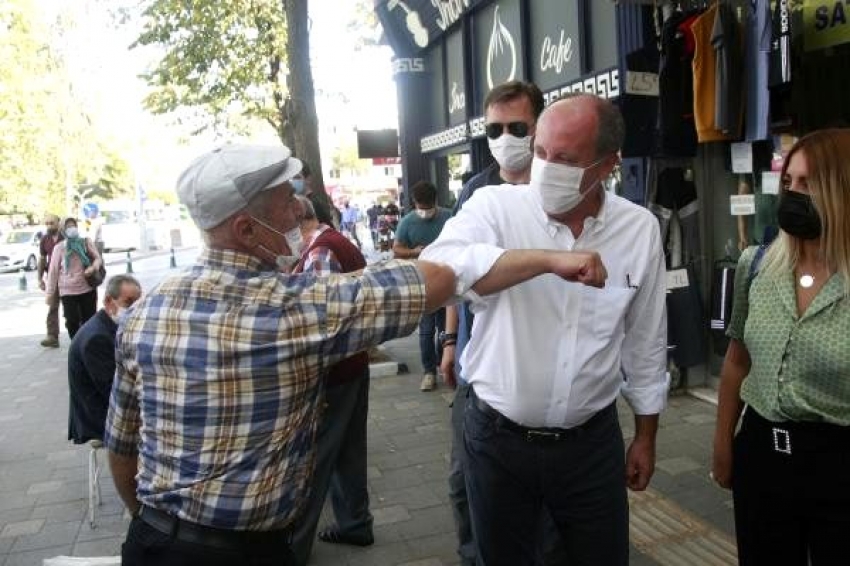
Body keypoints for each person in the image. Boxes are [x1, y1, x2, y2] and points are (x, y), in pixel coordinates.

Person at [105, 143, 605, 565]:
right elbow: (441, 278)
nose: (300, 211)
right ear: (245, 230)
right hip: (246, 551)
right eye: (286, 203)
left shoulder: (143, 313)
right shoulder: (298, 312)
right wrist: (552, 258)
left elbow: (122, 447)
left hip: (151, 540)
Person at [422, 94, 668, 565]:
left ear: (608, 165)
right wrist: (547, 261)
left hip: (591, 445)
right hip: (497, 441)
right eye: (540, 153)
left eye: (566, 159)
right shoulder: (495, 207)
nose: (547, 169)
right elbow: (439, 270)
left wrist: (646, 435)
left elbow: (646, 341)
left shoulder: (639, 230)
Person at [711, 128, 850, 566]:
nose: (792, 194)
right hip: (761, 454)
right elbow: (737, 361)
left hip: (838, 461)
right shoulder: (756, 265)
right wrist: (722, 444)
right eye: (788, 182)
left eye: (808, 184)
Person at [438, 80, 557, 566]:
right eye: (493, 128)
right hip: (477, 365)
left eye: (516, 127)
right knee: (464, 486)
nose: (504, 137)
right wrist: (449, 341)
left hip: (541, 368)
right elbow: (452, 269)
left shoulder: (559, 187)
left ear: (538, 127)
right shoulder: (476, 189)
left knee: (545, 509)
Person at [289, 195, 373, 565]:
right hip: (352, 363)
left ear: (297, 220)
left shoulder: (321, 251)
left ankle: (297, 545)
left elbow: (317, 319)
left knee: (317, 458)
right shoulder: (337, 241)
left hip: (333, 370)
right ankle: (355, 522)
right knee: (349, 450)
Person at [67, 275, 142, 444]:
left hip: (105, 407)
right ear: (109, 302)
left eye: (139, 304)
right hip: (97, 418)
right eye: (128, 303)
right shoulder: (97, 338)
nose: (135, 309)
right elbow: (113, 389)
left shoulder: (107, 326)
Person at [393, 181, 452, 392]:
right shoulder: (407, 222)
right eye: (421, 206)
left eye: (429, 206)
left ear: (435, 201)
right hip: (421, 284)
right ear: (414, 203)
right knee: (426, 331)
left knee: (446, 329)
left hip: (449, 283)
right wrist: (415, 251)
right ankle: (429, 372)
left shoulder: (449, 217)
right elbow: (397, 249)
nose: (425, 211)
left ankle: (443, 363)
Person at [46, 217, 104, 339]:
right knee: (71, 321)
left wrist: (92, 268)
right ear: (62, 230)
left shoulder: (85, 242)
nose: (71, 229)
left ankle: (89, 345)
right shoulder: (59, 248)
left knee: (89, 320)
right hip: (67, 291)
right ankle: (76, 345)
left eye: (73, 226)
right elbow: (53, 272)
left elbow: (98, 258)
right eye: (68, 227)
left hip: (87, 288)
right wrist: (50, 294)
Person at [38, 214, 64, 348]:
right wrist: (40, 279)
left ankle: (79, 334)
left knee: (73, 309)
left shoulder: (67, 237)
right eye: (46, 223)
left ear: (58, 223)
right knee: (53, 306)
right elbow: (42, 259)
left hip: (69, 278)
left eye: (51, 223)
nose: (49, 226)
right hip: (53, 278)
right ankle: (52, 336)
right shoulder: (44, 239)